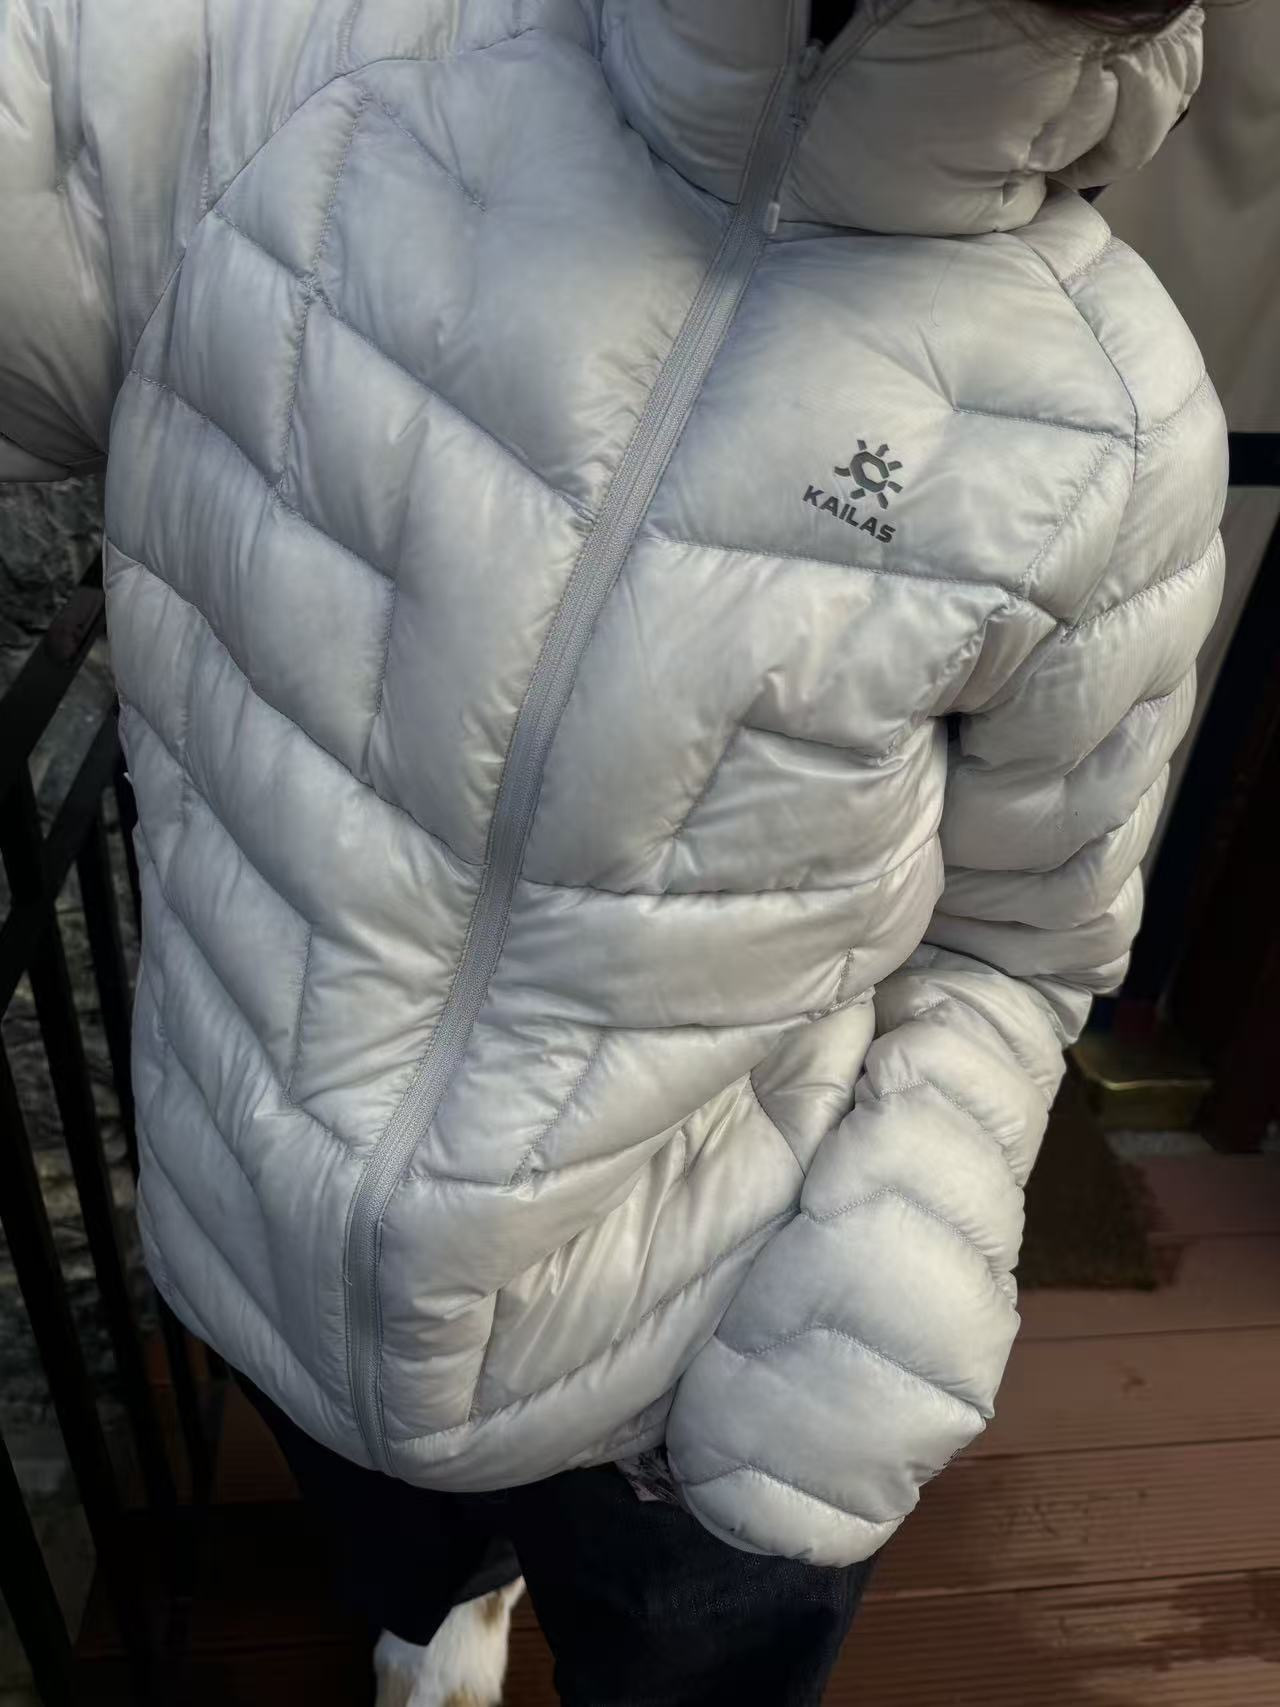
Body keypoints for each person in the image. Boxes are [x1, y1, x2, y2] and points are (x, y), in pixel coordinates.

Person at [1, 0, 1225, 1701]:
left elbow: (1025, 934)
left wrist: (884, 1278)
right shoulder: (330, 76)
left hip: (702, 1358)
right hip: (277, 1252)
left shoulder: (1111, 423)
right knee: (400, 1561)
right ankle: (446, 1602)